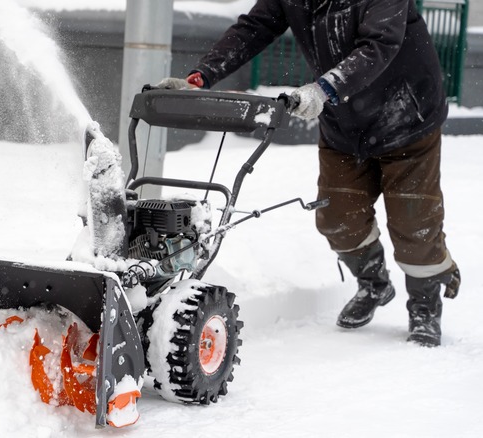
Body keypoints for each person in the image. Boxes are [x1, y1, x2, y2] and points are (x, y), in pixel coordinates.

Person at [157, 0, 460, 347]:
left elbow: (380, 44)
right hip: (344, 121)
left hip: (407, 115)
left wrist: (324, 89)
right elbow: (253, 28)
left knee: (414, 223)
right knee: (337, 218)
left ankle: (425, 304)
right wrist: (201, 76)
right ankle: (374, 283)